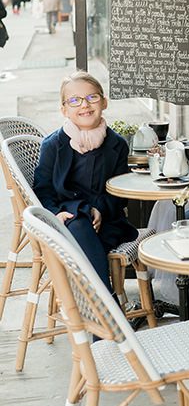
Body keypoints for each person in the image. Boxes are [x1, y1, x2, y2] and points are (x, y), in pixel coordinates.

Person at [33, 72, 138, 293]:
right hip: (67, 217)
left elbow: (120, 193)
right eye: (74, 100)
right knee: (79, 221)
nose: (85, 105)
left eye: (92, 97)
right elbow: (43, 189)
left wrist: (99, 209)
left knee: (85, 232)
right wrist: (55, 213)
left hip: (106, 222)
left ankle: (96, 306)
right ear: (64, 110)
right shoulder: (53, 145)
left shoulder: (117, 144)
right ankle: (107, 302)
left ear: (104, 102)